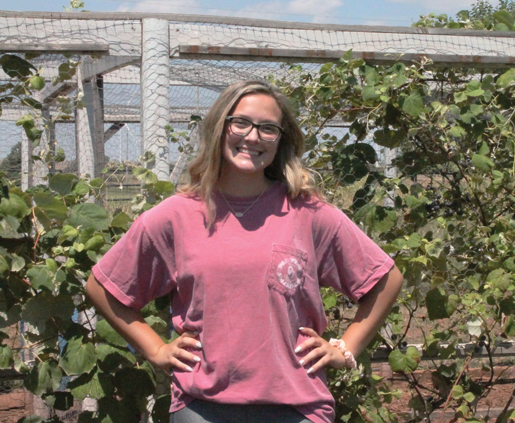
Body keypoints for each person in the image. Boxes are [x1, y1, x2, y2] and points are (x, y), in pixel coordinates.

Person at [86, 80, 403, 423]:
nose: (252, 137)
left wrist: (346, 348)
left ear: (281, 139)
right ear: (219, 127)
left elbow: (385, 279)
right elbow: (103, 286)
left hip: (297, 409)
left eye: (268, 128)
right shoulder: (176, 215)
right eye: (241, 123)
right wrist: (155, 349)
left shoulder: (308, 213)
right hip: (201, 408)